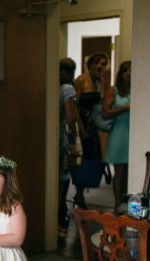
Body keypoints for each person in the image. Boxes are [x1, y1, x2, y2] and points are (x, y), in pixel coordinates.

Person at [73, 51, 110, 209]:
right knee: (81, 160)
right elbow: (73, 105)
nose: (100, 66)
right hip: (81, 124)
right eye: (97, 63)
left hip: (93, 125)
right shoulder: (81, 80)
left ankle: (80, 192)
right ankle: (78, 193)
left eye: (103, 63)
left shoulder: (100, 80)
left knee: (92, 158)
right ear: (90, 64)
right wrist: (80, 128)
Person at [58, 58, 82, 235]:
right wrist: (74, 137)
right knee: (64, 175)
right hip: (61, 137)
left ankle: (56, 214)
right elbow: (70, 117)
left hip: (51, 135)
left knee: (55, 176)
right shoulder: (67, 89)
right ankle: (61, 214)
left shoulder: (52, 86)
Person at [104, 60, 132, 208]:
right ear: (121, 74)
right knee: (119, 172)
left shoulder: (137, 89)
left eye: (132, 70)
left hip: (133, 134)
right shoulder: (113, 90)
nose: (129, 73)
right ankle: (117, 205)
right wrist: (125, 108)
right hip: (119, 134)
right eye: (126, 70)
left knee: (130, 171)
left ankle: (127, 203)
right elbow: (106, 112)